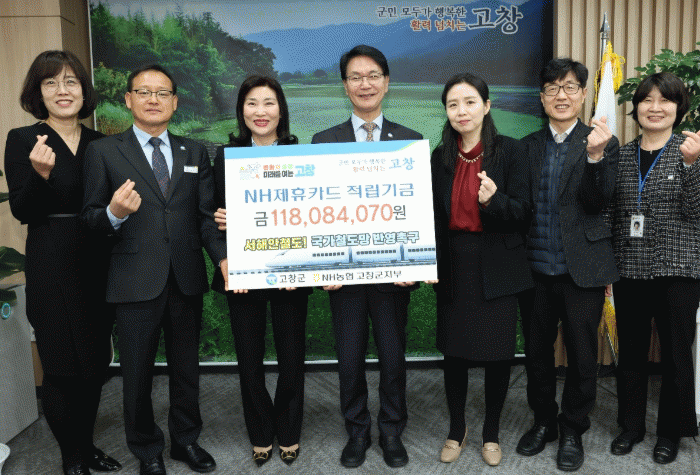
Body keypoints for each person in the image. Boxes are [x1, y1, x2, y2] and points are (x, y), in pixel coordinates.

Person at [82, 64, 227, 475]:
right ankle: (147, 449)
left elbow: (205, 217)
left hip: (185, 277)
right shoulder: (104, 151)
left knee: (187, 370)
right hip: (133, 281)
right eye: (144, 92)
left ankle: (186, 440)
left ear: (175, 102)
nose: (153, 100)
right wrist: (114, 212)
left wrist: (222, 257)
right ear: (128, 99)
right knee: (137, 374)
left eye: (162, 93)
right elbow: (89, 218)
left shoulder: (193, 151)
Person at [4, 50, 121, 475]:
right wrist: (38, 175)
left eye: (71, 81)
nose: (62, 90)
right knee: (60, 367)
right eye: (50, 82)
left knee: (94, 366)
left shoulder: (101, 143)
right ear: (38, 92)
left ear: (83, 90)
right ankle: (71, 456)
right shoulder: (24, 139)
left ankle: (86, 447)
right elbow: (22, 210)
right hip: (51, 260)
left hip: (98, 262)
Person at [311, 44, 422, 469]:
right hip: (343, 275)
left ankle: (392, 430)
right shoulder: (324, 142)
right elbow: (315, 210)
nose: (365, 84)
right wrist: (323, 264)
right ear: (345, 86)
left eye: (373, 75)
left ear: (386, 82)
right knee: (349, 359)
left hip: (393, 273)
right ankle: (357, 431)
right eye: (355, 77)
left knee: (393, 357)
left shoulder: (410, 142)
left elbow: (419, 210)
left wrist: (414, 264)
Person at [516, 58, 619, 472]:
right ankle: (544, 422)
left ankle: (573, 427)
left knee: (582, 354)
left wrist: (594, 158)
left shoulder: (603, 142)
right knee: (537, 353)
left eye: (570, 87)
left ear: (583, 95)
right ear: (541, 97)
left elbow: (599, 202)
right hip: (535, 271)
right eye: (553, 88)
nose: (561, 95)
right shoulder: (525, 146)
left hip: (583, 271)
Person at [430, 73, 533, 467]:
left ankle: (491, 432)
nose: (462, 111)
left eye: (470, 102)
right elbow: (431, 217)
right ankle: (457, 428)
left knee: (497, 355)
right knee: (454, 353)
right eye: (453, 104)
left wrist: (494, 201)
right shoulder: (440, 157)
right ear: (446, 111)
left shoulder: (512, 152)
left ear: (486, 106)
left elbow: (524, 213)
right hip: (454, 264)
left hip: (498, 266)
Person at [210, 75, 311, 467]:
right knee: (249, 360)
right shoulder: (225, 157)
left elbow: (314, 212)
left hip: (291, 272)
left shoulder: (300, 154)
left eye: (269, 103)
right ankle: (259, 432)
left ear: (281, 109)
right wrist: (224, 247)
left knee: (292, 357)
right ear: (242, 111)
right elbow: (209, 215)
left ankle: (289, 430)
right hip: (242, 272)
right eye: (252, 103)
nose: (261, 111)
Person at [607, 72, 700, 464]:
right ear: (636, 108)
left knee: (676, 355)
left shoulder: (691, 151)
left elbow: (695, 212)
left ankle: (670, 433)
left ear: (679, 109)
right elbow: (612, 215)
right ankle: (631, 427)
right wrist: (607, 269)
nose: (655, 107)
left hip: (677, 270)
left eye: (665, 100)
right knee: (631, 353)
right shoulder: (621, 155)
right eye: (647, 99)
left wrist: (692, 166)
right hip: (629, 268)